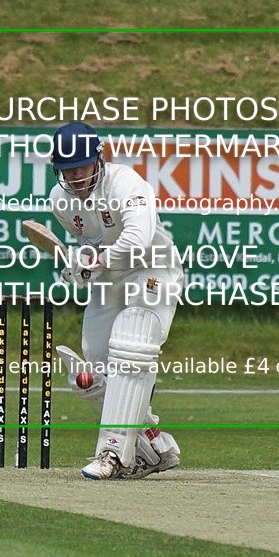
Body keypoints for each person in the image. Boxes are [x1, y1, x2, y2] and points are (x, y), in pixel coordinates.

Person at [49, 121, 183, 479]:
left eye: (80, 166)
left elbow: (138, 239)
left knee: (131, 344)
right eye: (66, 169)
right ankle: (154, 447)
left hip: (153, 269)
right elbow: (89, 243)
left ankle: (111, 455)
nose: (75, 176)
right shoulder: (60, 201)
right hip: (111, 281)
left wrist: (99, 260)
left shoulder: (125, 183)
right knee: (92, 376)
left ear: (98, 159)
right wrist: (80, 267)